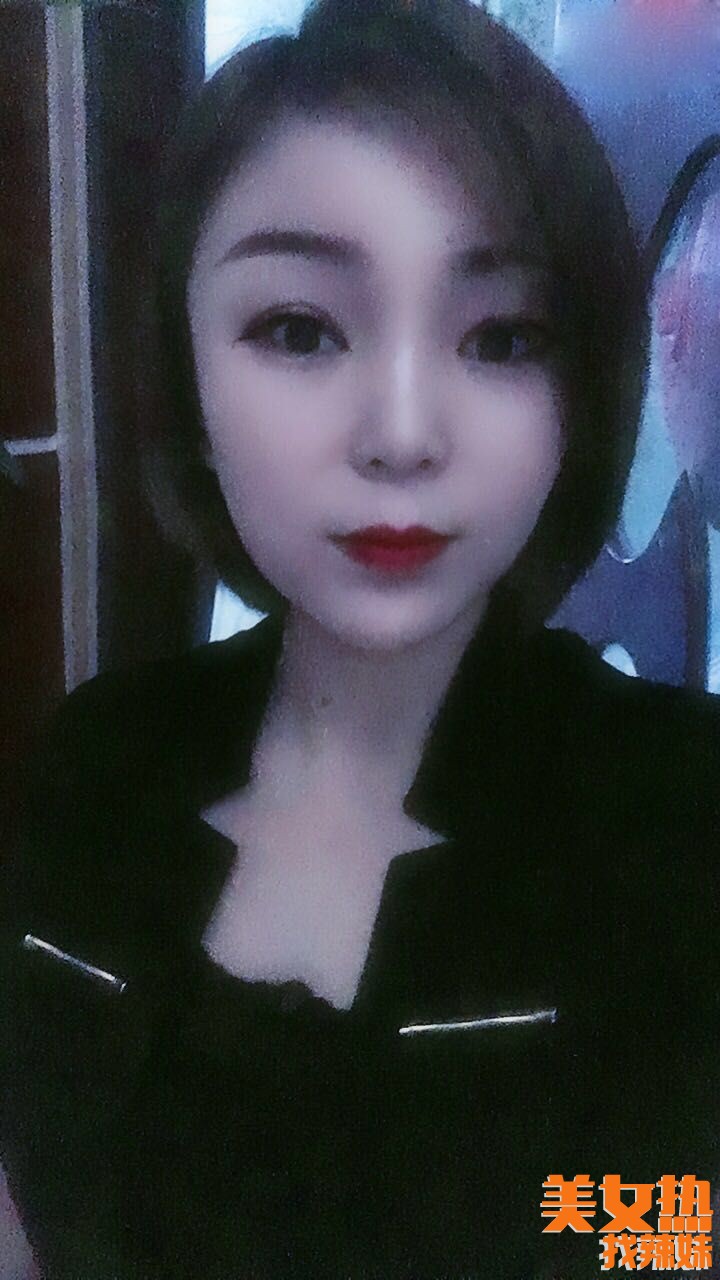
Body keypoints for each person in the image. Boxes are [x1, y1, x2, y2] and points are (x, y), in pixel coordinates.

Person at [2, 1, 719, 1277]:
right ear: (187, 373)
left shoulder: (677, 818)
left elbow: (668, 1229)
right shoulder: (93, 767)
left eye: (501, 337)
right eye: (300, 329)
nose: (401, 433)